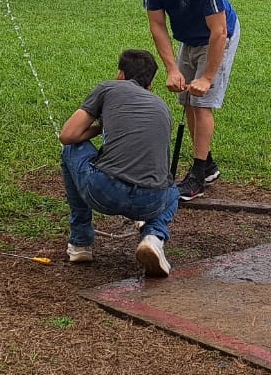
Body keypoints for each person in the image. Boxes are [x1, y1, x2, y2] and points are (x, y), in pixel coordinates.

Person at [134, 0, 240, 200]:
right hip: (189, 38)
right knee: (187, 100)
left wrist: (207, 78)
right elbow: (157, 26)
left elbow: (219, 32)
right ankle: (209, 164)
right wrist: (172, 69)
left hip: (217, 36)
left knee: (202, 102)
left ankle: (198, 175)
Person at [58, 49, 181, 277]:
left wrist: (99, 128)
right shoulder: (162, 106)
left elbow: (68, 135)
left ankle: (80, 242)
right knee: (172, 191)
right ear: (151, 83)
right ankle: (153, 236)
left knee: (71, 150)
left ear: (120, 74)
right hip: (150, 201)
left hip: (105, 193)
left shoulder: (109, 88)